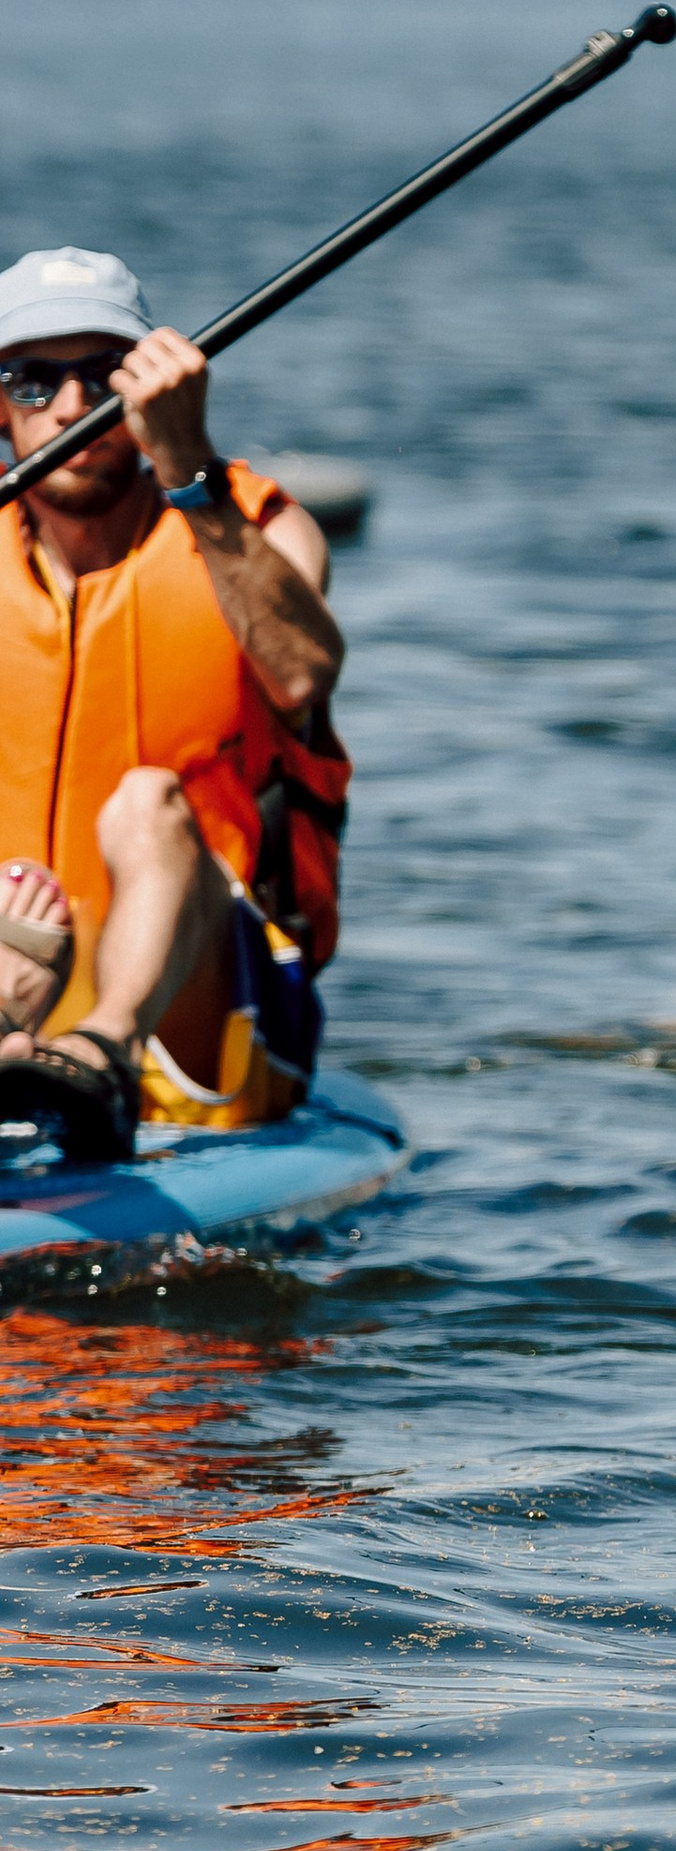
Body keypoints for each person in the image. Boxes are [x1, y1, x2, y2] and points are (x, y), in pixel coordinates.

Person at [0, 245, 347, 1164]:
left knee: (151, 802)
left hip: (217, 1018)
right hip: (18, 966)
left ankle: (99, 1053)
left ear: (151, 389)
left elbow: (304, 675)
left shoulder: (256, 527)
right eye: (33, 383)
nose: (73, 409)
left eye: (102, 378)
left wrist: (187, 464)